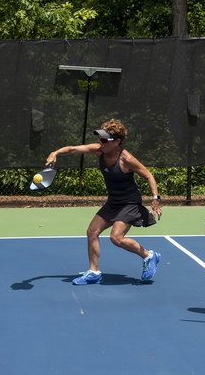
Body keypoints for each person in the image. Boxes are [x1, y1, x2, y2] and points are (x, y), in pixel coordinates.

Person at [44, 119, 163, 285]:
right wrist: (54, 153)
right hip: (113, 201)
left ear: (117, 142)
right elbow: (73, 149)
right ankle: (94, 272)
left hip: (129, 203)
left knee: (116, 238)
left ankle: (149, 255)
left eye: (105, 139)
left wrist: (156, 198)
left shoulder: (126, 158)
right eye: (100, 138)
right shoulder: (99, 150)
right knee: (92, 232)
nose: (101, 142)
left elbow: (148, 175)